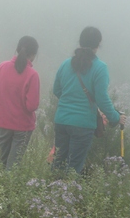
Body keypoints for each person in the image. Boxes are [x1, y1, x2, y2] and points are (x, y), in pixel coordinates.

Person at [52, 26, 126, 173]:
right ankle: (68, 194)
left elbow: (56, 90)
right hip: (83, 124)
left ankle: (50, 192)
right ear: (98, 45)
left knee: (58, 162)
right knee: (73, 168)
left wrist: (69, 101)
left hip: (61, 121)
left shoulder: (66, 64)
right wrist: (116, 117)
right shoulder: (100, 68)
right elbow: (102, 98)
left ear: (80, 42)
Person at [0, 36, 40, 169]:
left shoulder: (2, 67)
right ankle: (8, 188)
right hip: (23, 125)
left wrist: (5, 101)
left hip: (3, 121)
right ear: (33, 55)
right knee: (13, 165)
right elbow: (32, 106)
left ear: (17, 49)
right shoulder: (32, 75)